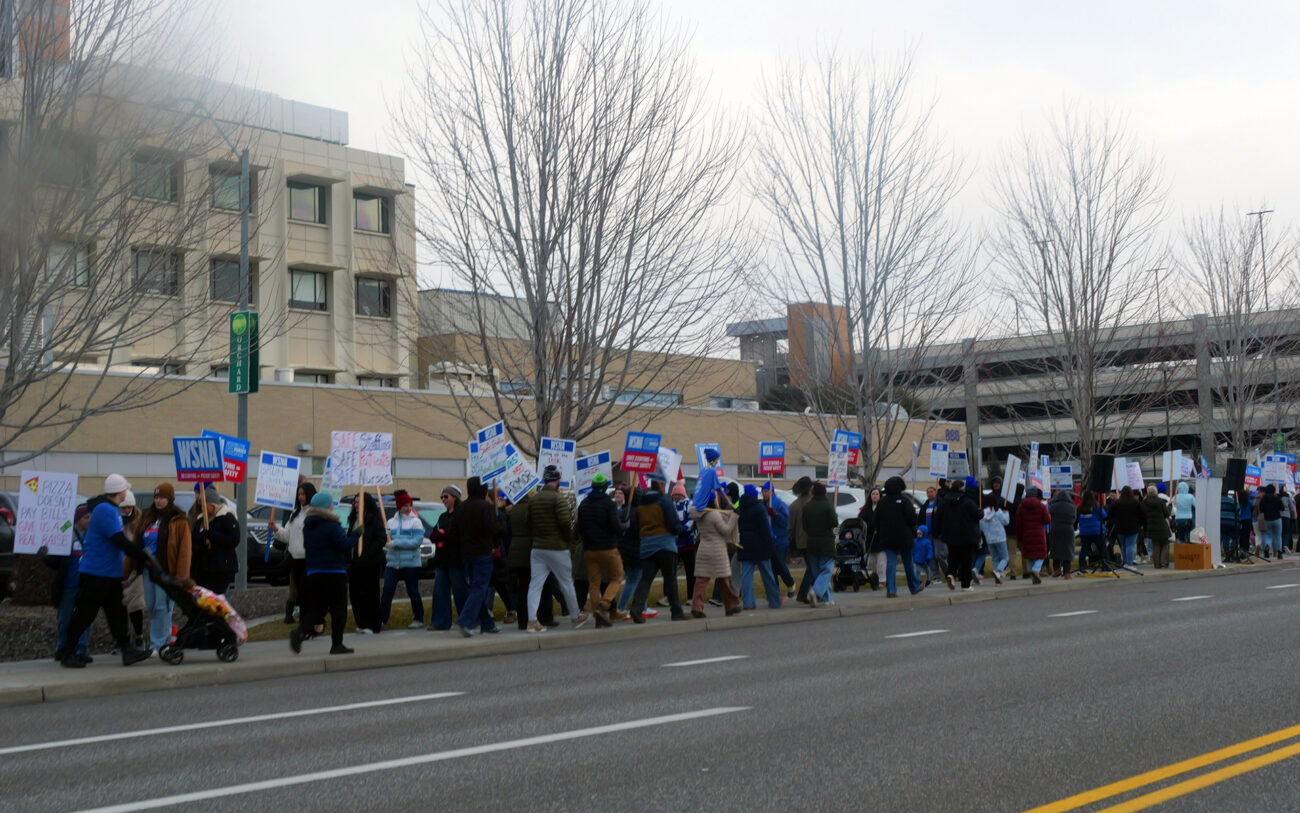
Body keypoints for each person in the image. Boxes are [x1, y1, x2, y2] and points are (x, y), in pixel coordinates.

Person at [59, 474, 152, 668]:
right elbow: (118, 539)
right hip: (96, 574)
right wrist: (142, 555)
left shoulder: (108, 509)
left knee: (117, 613)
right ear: (121, 491)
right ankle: (67, 652)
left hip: (108, 574)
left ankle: (127, 651)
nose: (126, 492)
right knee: (85, 614)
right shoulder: (105, 510)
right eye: (125, 489)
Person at [290, 491, 356, 655]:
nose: (333, 507)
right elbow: (343, 546)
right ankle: (337, 644)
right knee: (338, 609)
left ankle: (299, 631)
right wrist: (356, 535)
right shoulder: (332, 526)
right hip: (334, 571)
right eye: (331, 504)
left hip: (314, 572)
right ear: (326, 507)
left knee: (318, 609)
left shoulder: (308, 526)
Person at [131, 483, 192, 654]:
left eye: (162, 498)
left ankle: (158, 645)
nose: (158, 501)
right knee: (150, 605)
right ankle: (162, 641)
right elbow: (136, 542)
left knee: (162, 606)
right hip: (148, 570)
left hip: (167, 571)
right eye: (156, 497)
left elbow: (185, 551)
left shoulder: (178, 520)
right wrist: (128, 568)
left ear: (170, 499)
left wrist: (182, 576)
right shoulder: (147, 517)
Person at [527, 465, 588, 632]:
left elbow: (528, 523)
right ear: (557, 480)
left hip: (537, 548)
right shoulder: (558, 499)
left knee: (535, 585)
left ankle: (532, 621)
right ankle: (576, 616)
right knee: (566, 583)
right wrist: (567, 540)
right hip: (556, 547)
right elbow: (564, 523)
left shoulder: (534, 500)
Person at [446, 477, 502, 637]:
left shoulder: (461, 508)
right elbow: (493, 529)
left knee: (477, 587)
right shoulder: (486, 507)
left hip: (466, 555)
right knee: (479, 588)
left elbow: (452, 534)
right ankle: (465, 621)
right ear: (483, 490)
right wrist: (499, 522)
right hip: (483, 553)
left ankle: (487, 624)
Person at [628, 477, 687, 622]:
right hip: (665, 545)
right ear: (661, 484)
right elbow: (673, 525)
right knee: (671, 579)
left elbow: (635, 527)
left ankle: (636, 608)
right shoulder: (664, 501)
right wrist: (681, 530)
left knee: (646, 579)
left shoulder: (641, 504)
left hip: (647, 546)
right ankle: (677, 611)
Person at [41, 504, 92, 664]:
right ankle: (63, 648)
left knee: (84, 619)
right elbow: (56, 561)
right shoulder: (66, 534)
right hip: (68, 586)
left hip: (86, 585)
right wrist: (45, 556)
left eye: (91, 517)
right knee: (65, 619)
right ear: (77, 519)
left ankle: (81, 649)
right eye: (86, 517)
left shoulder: (93, 535)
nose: (90, 520)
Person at [577, 472, 625, 627]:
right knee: (616, 577)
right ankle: (604, 604)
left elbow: (580, 527)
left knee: (594, 583)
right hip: (608, 548)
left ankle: (599, 616)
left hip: (589, 550)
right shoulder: (608, 504)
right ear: (605, 488)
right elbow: (614, 526)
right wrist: (623, 527)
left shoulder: (583, 504)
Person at [689, 489, 742, 617]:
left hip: (704, 548)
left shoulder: (700, 514)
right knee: (723, 580)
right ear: (713, 500)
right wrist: (734, 516)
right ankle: (731, 605)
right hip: (717, 549)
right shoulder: (714, 515)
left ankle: (697, 607)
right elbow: (726, 530)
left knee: (701, 581)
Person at [269, 483, 317, 625]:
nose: (301, 497)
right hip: (295, 559)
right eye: (299, 494)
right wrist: (276, 530)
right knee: (298, 592)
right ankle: (302, 622)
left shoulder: (314, 513)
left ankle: (311, 622)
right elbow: (287, 536)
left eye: (303, 494)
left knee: (308, 593)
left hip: (309, 559)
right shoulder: (295, 514)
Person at [381, 491, 426, 629]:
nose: (408, 508)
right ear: (399, 507)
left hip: (411, 563)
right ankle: (382, 620)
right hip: (393, 563)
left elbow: (417, 542)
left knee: (412, 591)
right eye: (405, 505)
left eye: (409, 505)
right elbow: (386, 539)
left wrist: (397, 543)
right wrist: (386, 545)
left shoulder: (416, 522)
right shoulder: (390, 522)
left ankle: (419, 618)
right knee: (387, 590)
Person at [872, 476, 922, 597]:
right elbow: (912, 518)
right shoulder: (904, 500)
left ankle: (891, 590)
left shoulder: (882, 502)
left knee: (891, 564)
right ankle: (914, 586)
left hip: (887, 538)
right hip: (904, 537)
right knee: (908, 563)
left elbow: (875, 521)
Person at [428, 485, 468, 631]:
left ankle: (467, 619)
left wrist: (443, 535)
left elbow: (458, 535)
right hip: (442, 559)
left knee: (460, 590)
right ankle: (440, 621)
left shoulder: (461, 515)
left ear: (454, 498)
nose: (443, 500)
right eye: (442, 497)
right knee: (440, 591)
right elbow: (434, 532)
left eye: (446, 497)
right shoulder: (442, 517)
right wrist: (436, 536)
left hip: (457, 559)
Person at [737, 484, 782, 610]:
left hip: (744, 544)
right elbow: (765, 530)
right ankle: (774, 601)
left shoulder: (740, 508)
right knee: (767, 574)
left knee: (746, 576)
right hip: (760, 545)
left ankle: (748, 603)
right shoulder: (759, 508)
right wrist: (770, 545)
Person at [932, 479, 983, 590]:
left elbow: (937, 516)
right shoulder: (967, 501)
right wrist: (980, 509)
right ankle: (965, 584)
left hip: (950, 535)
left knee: (953, 556)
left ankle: (950, 574)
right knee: (966, 560)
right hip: (966, 535)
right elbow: (978, 515)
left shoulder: (944, 502)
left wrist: (939, 531)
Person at [191, 485, 239, 595]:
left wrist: (212, 535)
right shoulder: (200, 520)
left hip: (221, 568)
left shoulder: (227, 517)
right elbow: (194, 540)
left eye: (205, 504)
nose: (202, 507)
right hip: (204, 568)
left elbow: (234, 539)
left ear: (212, 504)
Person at [801, 482, 838, 607]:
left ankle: (828, 598)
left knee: (818, 573)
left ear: (812, 492)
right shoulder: (828, 506)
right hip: (826, 543)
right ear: (824, 492)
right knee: (827, 570)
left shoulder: (807, 507)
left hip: (811, 543)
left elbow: (804, 526)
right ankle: (815, 592)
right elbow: (834, 522)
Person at [762, 482, 796, 595]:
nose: (764, 493)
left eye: (766, 491)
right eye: (763, 491)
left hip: (780, 540)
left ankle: (790, 583)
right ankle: (774, 593)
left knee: (780, 565)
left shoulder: (779, 504)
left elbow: (785, 522)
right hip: (769, 541)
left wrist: (775, 514)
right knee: (772, 568)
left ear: (772, 492)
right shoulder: (764, 505)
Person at [1014, 487, 1051, 584]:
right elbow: (1047, 520)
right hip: (1039, 534)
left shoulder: (1021, 507)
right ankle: (1036, 570)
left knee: (1030, 556)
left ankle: (1034, 578)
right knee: (1041, 556)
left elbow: (1018, 523)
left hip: (1026, 535)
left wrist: (1019, 537)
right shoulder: (1041, 506)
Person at [787, 477, 813, 603]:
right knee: (813, 568)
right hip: (813, 540)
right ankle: (803, 593)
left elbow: (790, 528)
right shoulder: (813, 503)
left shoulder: (793, 506)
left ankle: (815, 591)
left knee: (812, 567)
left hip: (800, 542)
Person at [671, 482, 698, 599]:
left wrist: (681, 530)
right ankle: (669, 596)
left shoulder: (689, 504)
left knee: (690, 572)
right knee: (670, 572)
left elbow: (691, 521)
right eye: (674, 494)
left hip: (688, 544)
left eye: (678, 494)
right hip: (674, 545)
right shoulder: (670, 505)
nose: (676, 496)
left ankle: (691, 597)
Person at [1109, 486, 1144, 568]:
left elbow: (1110, 514)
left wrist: (1115, 521)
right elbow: (1143, 514)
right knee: (1130, 546)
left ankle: (1125, 563)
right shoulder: (1136, 503)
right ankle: (1129, 563)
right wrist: (1140, 523)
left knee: (1123, 546)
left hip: (1120, 527)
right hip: (1133, 527)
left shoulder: (1116, 503)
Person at [1047, 489, 1078, 579]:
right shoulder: (1072, 506)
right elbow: (1074, 518)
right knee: (1067, 549)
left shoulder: (1053, 505)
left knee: (1055, 548)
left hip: (1055, 528)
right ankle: (1067, 572)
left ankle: (1056, 570)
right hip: (1068, 528)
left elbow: (1050, 516)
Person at [1140, 485, 1173, 568]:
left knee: (1155, 545)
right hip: (1162, 526)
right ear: (1156, 492)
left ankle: (1157, 564)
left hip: (1151, 527)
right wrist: (1170, 506)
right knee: (1165, 544)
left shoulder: (1145, 503)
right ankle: (1163, 562)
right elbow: (1166, 514)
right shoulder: (1161, 501)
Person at [860, 487, 885, 591]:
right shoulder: (866, 509)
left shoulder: (883, 507)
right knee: (870, 561)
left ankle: (882, 580)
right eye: (873, 494)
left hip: (881, 537)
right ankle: (875, 577)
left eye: (876, 494)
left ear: (880, 496)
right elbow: (861, 520)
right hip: (870, 538)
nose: (874, 496)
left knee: (881, 561)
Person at [980, 501, 1011, 583]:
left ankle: (997, 577)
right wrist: (1006, 513)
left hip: (989, 539)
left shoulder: (983, 513)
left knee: (995, 558)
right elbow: (1006, 521)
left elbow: (981, 527)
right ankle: (998, 571)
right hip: (1000, 538)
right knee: (1005, 558)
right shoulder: (998, 512)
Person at [1076, 490, 1105, 572]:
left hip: (1084, 531)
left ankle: (1082, 566)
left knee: (1084, 549)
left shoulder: (1079, 507)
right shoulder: (1097, 506)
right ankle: (1105, 564)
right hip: (1096, 530)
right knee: (1102, 549)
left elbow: (1077, 518)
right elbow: (1104, 515)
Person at [1258, 484, 1284, 560]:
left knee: (1268, 535)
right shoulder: (1277, 498)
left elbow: (1261, 509)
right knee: (1278, 536)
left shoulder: (1263, 498)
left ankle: (1267, 546)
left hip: (1267, 519)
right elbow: (1282, 508)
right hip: (1277, 519)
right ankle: (1279, 552)